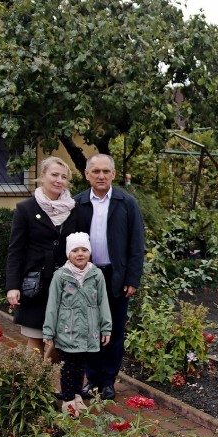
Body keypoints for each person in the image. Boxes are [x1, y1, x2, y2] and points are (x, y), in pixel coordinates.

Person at [74, 153, 145, 400]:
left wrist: (132, 279)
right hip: (87, 276)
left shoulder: (127, 203)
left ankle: (108, 382)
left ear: (113, 174)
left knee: (113, 330)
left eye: (106, 171)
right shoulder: (78, 203)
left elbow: (137, 245)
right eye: (96, 171)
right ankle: (91, 380)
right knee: (90, 330)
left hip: (116, 276)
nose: (101, 175)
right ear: (87, 175)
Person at [6, 156, 78, 353]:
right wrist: (12, 286)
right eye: (54, 174)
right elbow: (16, 250)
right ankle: (34, 383)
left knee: (60, 343)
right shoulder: (26, 209)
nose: (59, 180)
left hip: (66, 286)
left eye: (64, 177)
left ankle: (56, 382)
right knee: (36, 341)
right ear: (43, 176)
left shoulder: (74, 210)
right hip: (35, 286)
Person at [43, 232, 111, 413]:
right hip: (67, 330)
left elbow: (103, 303)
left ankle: (77, 394)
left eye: (84, 250)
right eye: (75, 250)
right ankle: (67, 399)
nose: (80, 254)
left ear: (89, 252)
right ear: (68, 254)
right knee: (67, 366)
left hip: (88, 331)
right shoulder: (61, 276)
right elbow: (52, 305)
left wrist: (106, 328)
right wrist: (48, 331)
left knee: (81, 366)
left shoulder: (96, 275)